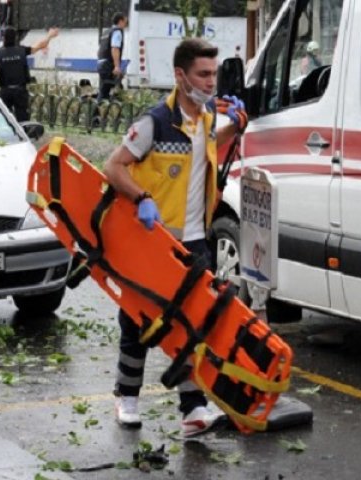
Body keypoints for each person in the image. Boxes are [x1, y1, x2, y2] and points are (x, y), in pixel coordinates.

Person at [103, 38, 247, 437]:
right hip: (154, 241)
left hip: (196, 242)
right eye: (203, 74)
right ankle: (127, 397)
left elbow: (206, 150)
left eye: (214, 74)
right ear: (180, 76)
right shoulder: (154, 122)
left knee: (194, 323)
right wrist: (142, 198)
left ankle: (193, 409)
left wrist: (237, 122)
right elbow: (114, 166)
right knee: (137, 320)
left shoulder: (205, 121)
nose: (210, 82)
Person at [0, 26, 59, 122]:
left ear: (4, 38)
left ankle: (8, 135)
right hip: (20, 91)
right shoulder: (22, 50)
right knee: (23, 118)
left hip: (5, 91)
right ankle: (24, 134)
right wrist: (49, 36)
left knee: (4, 117)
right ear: (15, 38)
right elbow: (40, 45)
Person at [97, 12, 127, 102]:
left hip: (101, 64)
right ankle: (96, 113)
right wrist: (117, 66)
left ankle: (101, 112)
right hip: (108, 65)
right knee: (106, 91)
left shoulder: (106, 32)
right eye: (125, 21)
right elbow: (115, 48)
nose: (126, 23)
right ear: (120, 21)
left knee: (107, 90)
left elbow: (100, 50)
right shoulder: (117, 31)